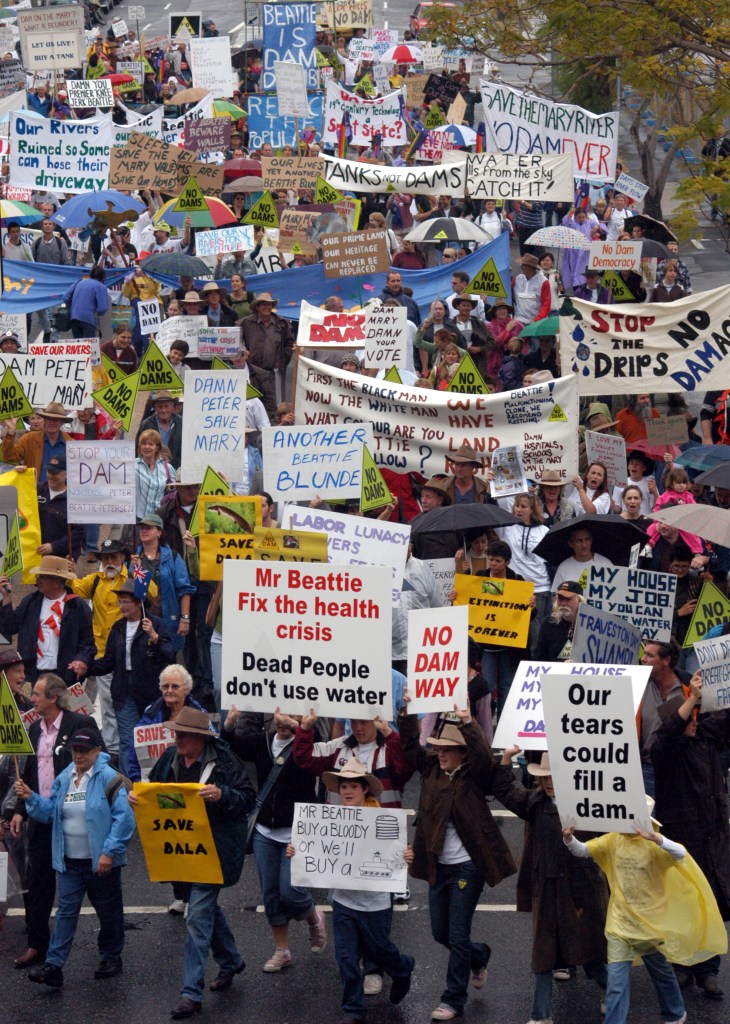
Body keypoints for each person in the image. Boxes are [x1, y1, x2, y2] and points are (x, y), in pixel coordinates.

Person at [131, 707, 255, 1019]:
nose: (177, 739)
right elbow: (155, 790)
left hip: (214, 854)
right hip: (182, 852)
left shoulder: (225, 762)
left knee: (196, 918)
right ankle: (231, 961)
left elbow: (247, 799)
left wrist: (221, 794)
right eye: (176, 733)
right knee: (205, 908)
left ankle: (190, 994)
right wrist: (138, 798)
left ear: (200, 738)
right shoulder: (170, 756)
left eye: (183, 734)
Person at [399, 707, 516, 1021]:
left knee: (458, 934)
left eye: (447, 750)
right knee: (442, 933)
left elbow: (483, 755)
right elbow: (410, 746)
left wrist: (467, 722)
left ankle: (453, 999)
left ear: (462, 753)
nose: (440, 754)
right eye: (437, 748)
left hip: (468, 866)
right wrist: (405, 712)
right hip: (440, 865)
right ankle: (479, 956)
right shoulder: (430, 770)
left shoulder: (476, 774)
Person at [562, 810, 725, 1024]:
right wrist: (568, 838)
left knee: (662, 974)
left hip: (649, 928)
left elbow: (681, 854)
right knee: (617, 986)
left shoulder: (654, 846)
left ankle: (675, 1013)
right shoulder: (612, 840)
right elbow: (582, 851)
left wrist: (658, 839)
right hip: (620, 927)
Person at [287, 756, 415, 1022]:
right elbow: (313, 847)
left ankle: (403, 969)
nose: (347, 791)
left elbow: (396, 852)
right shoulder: (329, 818)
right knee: (346, 958)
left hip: (375, 905)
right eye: (343, 786)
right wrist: (295, 851)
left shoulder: (381, 817)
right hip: (344, 902)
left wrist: (406, 856)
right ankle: (353, 1010)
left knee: (381, 951)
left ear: (365, 789)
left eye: (353, 787)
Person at [14, 722, 136, 988]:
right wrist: (31, 798)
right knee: (66, 913)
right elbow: (49, 812)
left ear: (97, 750)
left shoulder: (109, 777)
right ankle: (54, 966)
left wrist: (109, 853)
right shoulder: (66, 776)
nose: (78, 755)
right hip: (69, 863)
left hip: (100, 863)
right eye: (74, 751)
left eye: (84, 750)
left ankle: (111, 957)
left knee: (108, 913)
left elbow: (125, 820)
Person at [494, 748, 608, 1024]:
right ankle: (540, 1014)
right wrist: (506, 760)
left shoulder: (588, 802)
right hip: (546, 888)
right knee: (543, 953)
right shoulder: (534, 803)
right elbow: (504, 790)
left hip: (581, 891)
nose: (547, 782)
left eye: (552, 777)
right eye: (544, 777)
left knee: (590, 951)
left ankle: (612, 991)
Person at [223, 705, 327, 971]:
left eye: (292, 716)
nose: (284, 721)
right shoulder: (263, 742)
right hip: (265, 832)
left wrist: (297, 727)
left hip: (298, 830)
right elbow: (232, 747)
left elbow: (317, 749)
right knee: (270, 894)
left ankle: (314, 917)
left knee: (291, 892)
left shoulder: (308, 744)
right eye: (280, 716)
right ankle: (282, 950)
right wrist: (230, 725)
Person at [651, 674, 730, 999]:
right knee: (684, 903)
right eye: (689, 716)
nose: (695, 721)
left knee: (710, 902)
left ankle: (708, 970)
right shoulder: (665, 750)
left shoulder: (706, 739)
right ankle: (682, 965)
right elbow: (668, 732)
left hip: (713, 836)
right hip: (683, 838)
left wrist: (712, 688)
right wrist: (689, 700)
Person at [9, 674, 95, 969]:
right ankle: (37, 944)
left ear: (54, 697)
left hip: (74, 818)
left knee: (96, 887)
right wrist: (20, 808)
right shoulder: (34, 729)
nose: (32, 698)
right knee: (37, 883)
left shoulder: (79, 725)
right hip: (42, 816)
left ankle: (110, 952)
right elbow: (29, 774)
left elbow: (100, 761)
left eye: (37, 694)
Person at [90, 578, 176, 778]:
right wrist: (86, 667)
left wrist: (154, 637)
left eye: (125, 602)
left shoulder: (157, 624)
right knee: (128, 740)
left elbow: (170, 655)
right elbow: (108, 661)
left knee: (151, 740)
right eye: (119, 602)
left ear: (138, 603)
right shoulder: (118, 627)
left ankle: (154, 782)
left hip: (151, 691)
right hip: (123, 689)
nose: (121, 606)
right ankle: (129, 786)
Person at [0, 556, 95, 687]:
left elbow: (88, 643)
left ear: (56, 582)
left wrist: (81, 660)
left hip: (65, 678)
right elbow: (9, 627)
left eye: (42, 577)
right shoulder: (30, 602)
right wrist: (6, 597)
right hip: (36, 676)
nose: (37, 580)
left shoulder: (77, 607)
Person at [639, 639, 690, 796]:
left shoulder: (689, 687)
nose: (643, 659)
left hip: (679, 771)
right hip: (644, 769)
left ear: (666, 660)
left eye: (649, 655)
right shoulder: (637, 683)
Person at [240, 293, 295, 416]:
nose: (267, 307)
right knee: (254, 402)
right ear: (257, 307)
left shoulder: (281, 323)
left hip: (274, 372)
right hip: (254, 371)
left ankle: (274, 427)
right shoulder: (247, 323)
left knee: (275, 404)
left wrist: (283, 359)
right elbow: (237, 341)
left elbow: (289, 342)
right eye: (264, 304)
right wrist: (244, 353)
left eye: (269, 304)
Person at [2, 400, 72, 482]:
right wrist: (10, 433)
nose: (52, 422)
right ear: (45, 420)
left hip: (60, 493)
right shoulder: (29, 439)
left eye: (56, 420)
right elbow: (9, 457)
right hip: (34, 491)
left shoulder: (70, 443)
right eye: (49, 419)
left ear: (62, 422)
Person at [37, 455, 84, 560]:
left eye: (55, 473)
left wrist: (54, 546)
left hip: (61, 559)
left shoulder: (75, 500)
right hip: (33, 556)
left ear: (67, 474)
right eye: (49, 472)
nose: (51, 476)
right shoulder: (36, 489)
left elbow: (79, 533)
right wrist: (20, 473)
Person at [551, 525, 614, 592]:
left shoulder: (605, 563)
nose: (584, 545)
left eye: (587, 539)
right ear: (570, 543)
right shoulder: (563, 567)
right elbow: (556, 596)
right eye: (579, 540)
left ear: (591, 541)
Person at [534, 581, 584, 662]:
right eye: (560, 598)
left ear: (579, 601)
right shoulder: (549, 622)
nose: (563, 603)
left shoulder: (590, 625)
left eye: (568, 599)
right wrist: (561, 666)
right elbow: (539, 658)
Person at [136, 390, 183, 469]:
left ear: (172, 407)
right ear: (155, 408)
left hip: (177, 469)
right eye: (160, 407)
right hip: (152, 470)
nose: (163, 410)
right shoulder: (146, 424)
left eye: (166, 406)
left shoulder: (182, 423)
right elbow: (139, 448)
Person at [135, 428, 174, 521]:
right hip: (138, 519)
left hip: (160, 520)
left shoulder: (167, 468)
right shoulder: (131, 465)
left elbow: (177, 490)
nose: (147, 447)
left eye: (151, 444)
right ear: (140, 446)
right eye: (144, 444)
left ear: (157, 447)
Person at [64, 266, 110, 338]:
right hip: (88, 319)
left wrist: (73, 307)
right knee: (88, 346)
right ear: (103, 277)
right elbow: (102, 308)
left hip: (74, 318)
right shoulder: (101, 286)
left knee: (78, 346)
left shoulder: (79, 282)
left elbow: (65, 297)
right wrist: (98, 313)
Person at [512, 254, 551, 325]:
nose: (521, 267)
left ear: (530, 267)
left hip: (534, 324)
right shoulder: (518, 278)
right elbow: (507, 290)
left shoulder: (543, 282)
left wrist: (536, 321)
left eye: (523, 265)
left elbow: (546, 305)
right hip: (517, 322)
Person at [0, 648, 32, 712]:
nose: (23, 676)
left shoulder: (26, 705)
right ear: (2, 674)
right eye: (18, 671)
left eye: (23, 671)